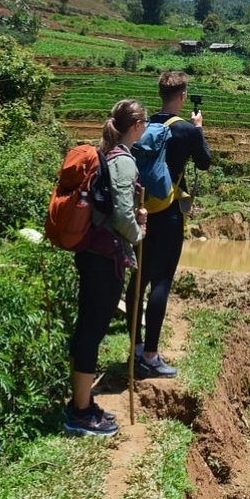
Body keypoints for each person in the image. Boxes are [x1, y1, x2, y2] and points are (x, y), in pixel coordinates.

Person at [64, 99, 148, 436]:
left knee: (86, 327)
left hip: (90, 252)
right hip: (105, 257)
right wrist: (139, 233)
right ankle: (80, 412)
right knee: (92, 331)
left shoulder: (109, 154)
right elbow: (123, 215)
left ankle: (80, 404)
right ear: (137, 125)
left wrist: (133, 219)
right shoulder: (124, 161)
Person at [125, 71, 211, 378]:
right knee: (161, 282)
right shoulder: (187, 130)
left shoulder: (143, 127)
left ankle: (135, 350)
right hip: (169, 213)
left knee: (138, 280)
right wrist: (198, 130)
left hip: (141, 211)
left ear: (160, 94)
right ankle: (151, 355)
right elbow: (204, 162)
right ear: (183, 97)